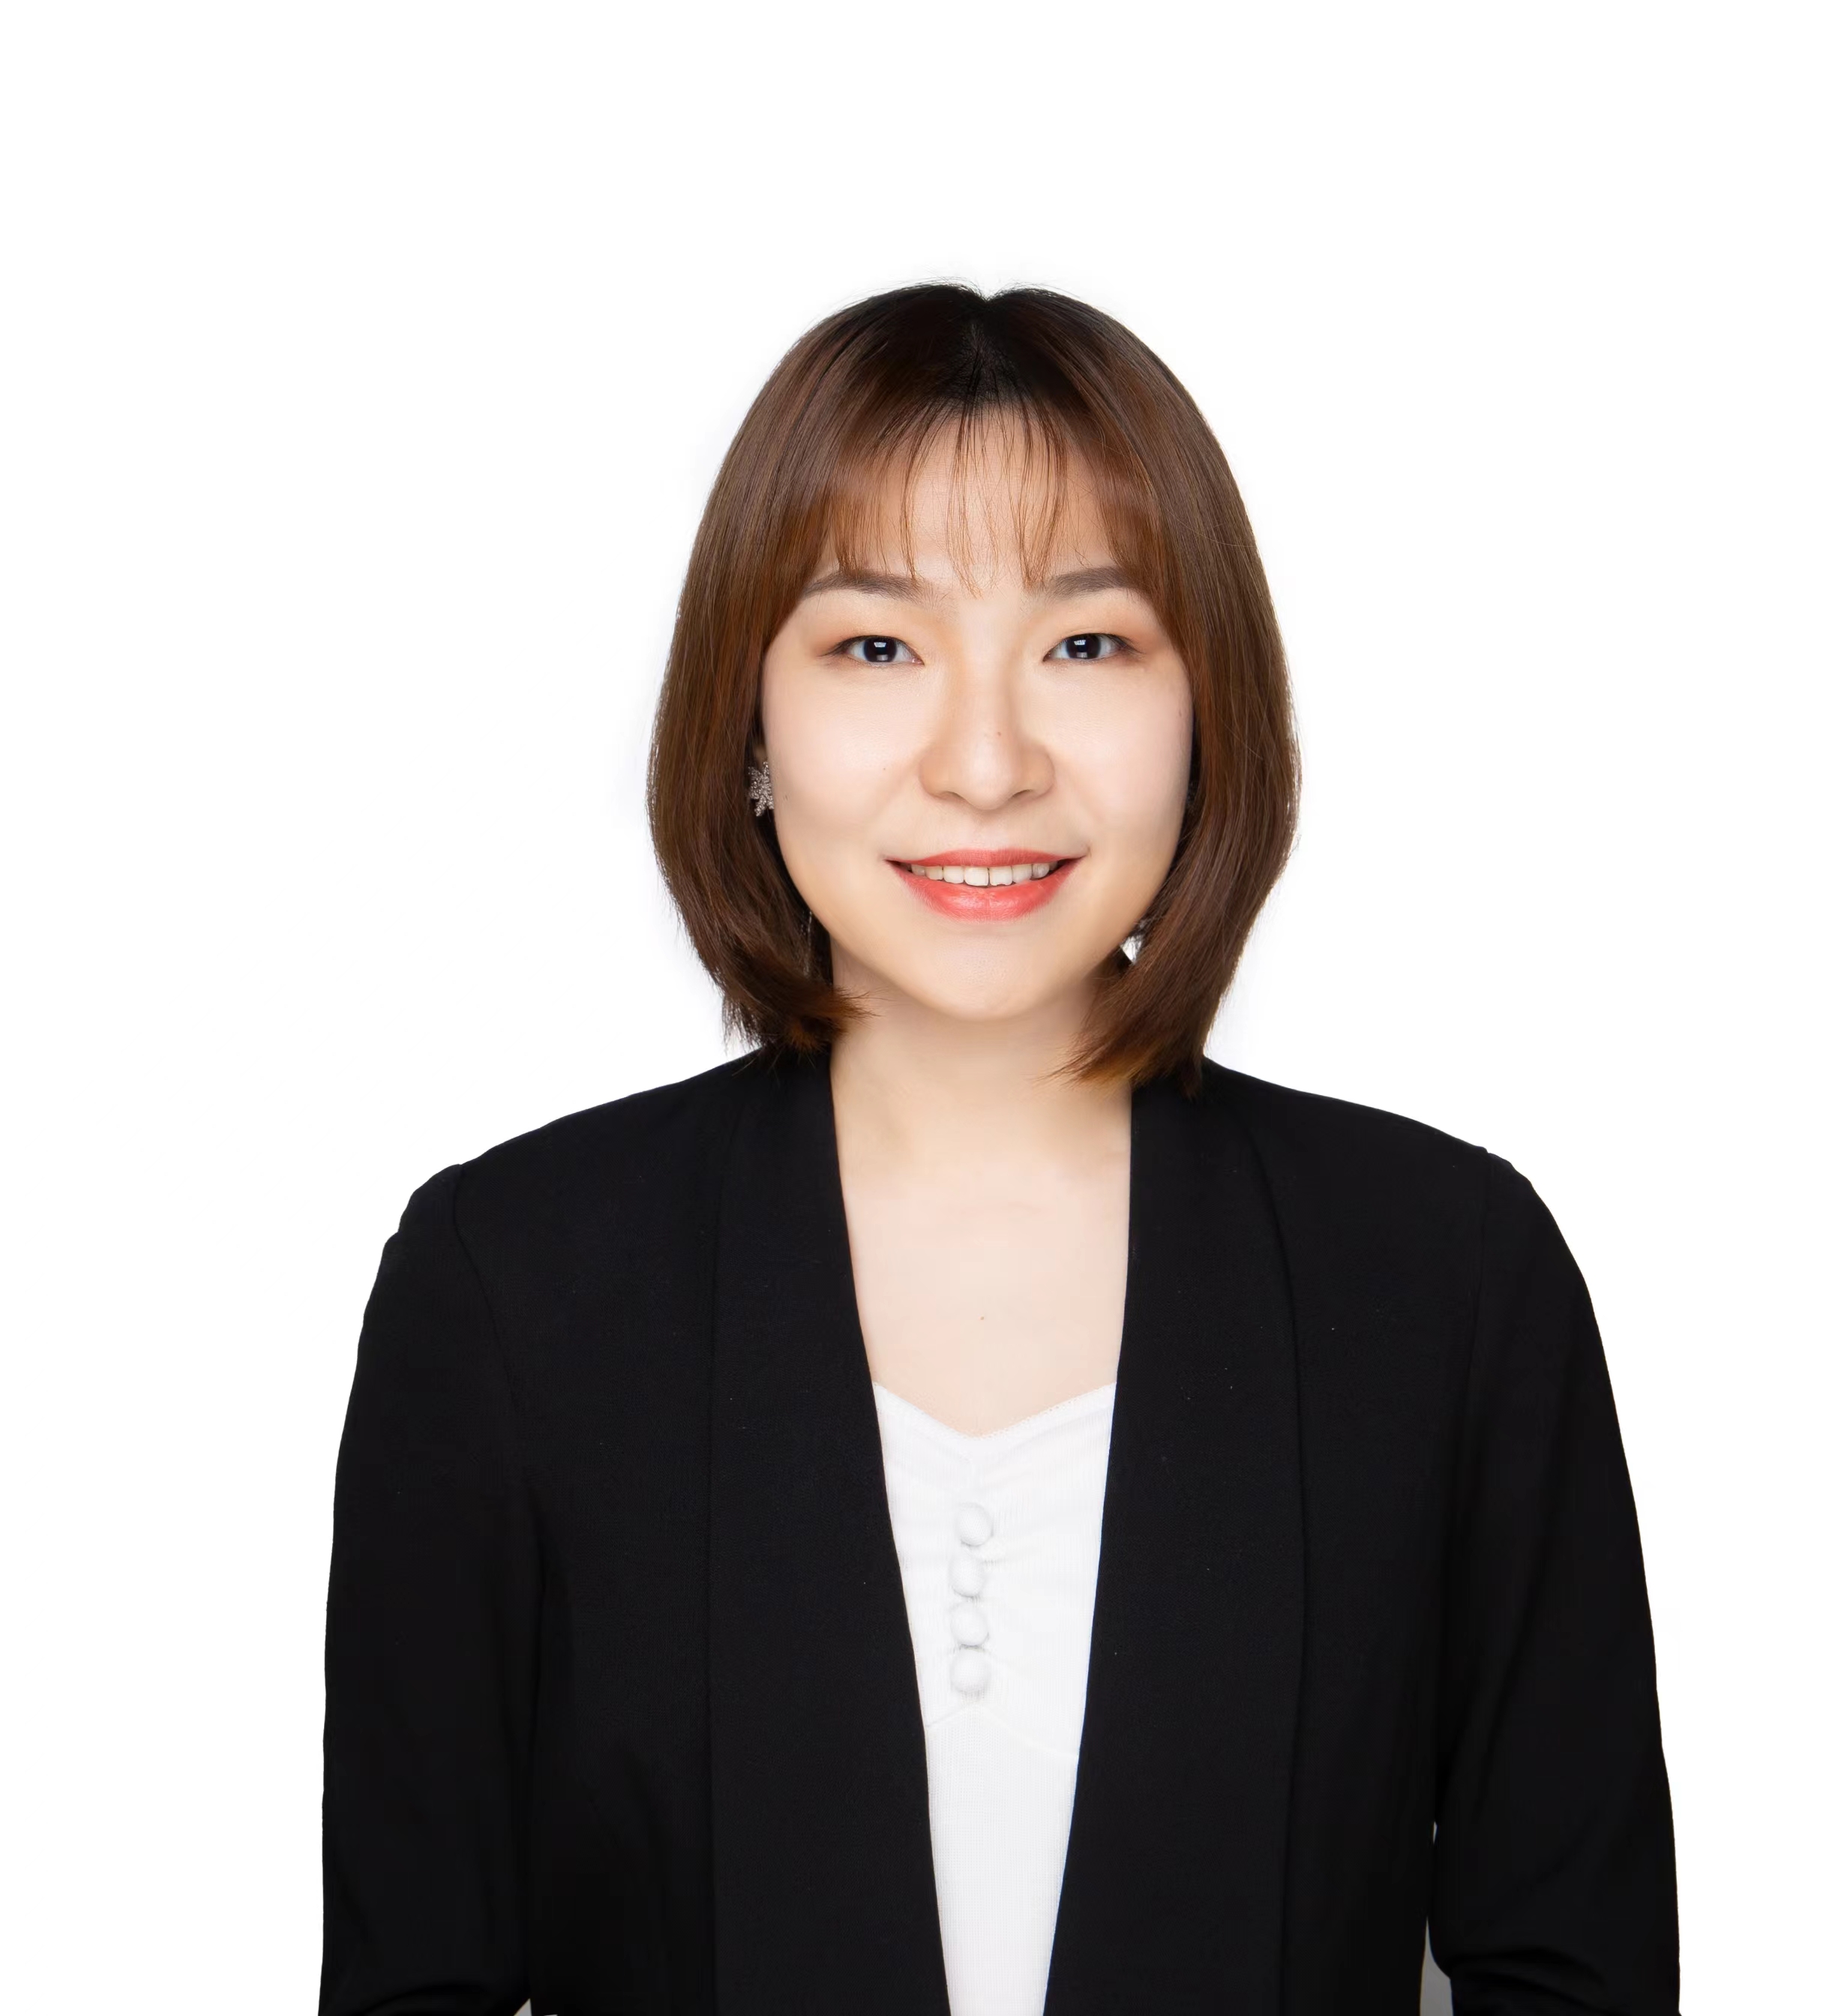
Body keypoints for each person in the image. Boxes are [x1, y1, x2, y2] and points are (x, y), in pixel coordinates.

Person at [319, 284, 1679, 2016]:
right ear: (749, 720)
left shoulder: (1446, 1280)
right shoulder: (511, 1287)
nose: (984, 765)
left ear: (1209, 706)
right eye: (877, 647)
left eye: (1087, 645)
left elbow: (1574, 1973)